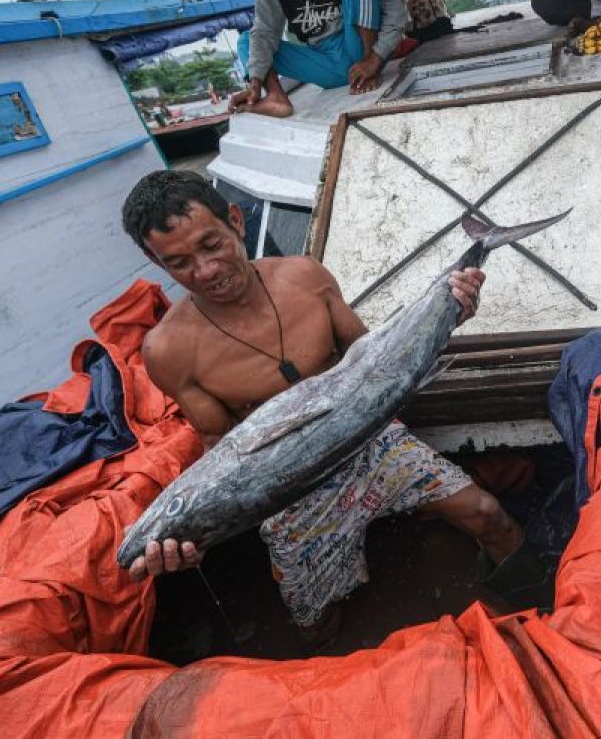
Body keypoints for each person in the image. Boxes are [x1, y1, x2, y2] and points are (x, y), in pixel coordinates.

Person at [120, 170, 547, 644]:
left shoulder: (306, 276)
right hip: (288, 485)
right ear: (155, 262)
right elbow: (222, 449)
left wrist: (451, 311)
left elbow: (372, 358)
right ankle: (330, 644)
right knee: (312, 615)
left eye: (211, 244)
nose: (205, 271)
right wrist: (196, 536)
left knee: (489, 514)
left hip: (370, 440)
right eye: (178, 263)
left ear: (236, 221)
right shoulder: (169, 350)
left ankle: (538, 605)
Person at [229, 0, 408, 118]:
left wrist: (375, 59)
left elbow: (397, 11)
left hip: (359, 52)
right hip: (325, 64)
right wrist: (255, 85)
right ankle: (276, 96)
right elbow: (264, 32)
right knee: (247, 40)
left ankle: (369, 68)